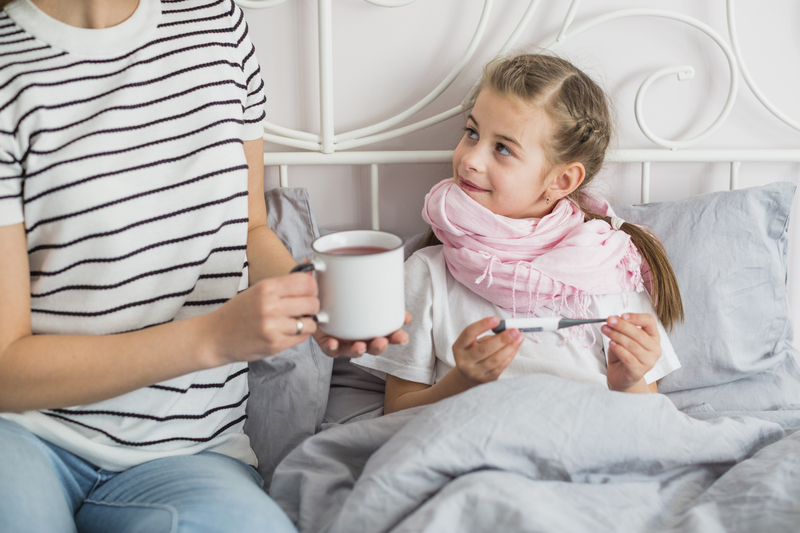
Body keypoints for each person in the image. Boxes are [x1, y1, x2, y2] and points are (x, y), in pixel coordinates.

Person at [0, 0, 407, 531]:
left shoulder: (216, 22)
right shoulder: (11, 65)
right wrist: (214, 338)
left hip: (189, 452)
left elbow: (249, 229)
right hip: (26, 435)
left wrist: (313, 297)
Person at [352, 53, 684, 414]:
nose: (470, 159)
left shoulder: (610, 268)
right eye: (472, 133)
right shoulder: (426, 274)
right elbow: (397, 413)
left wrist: (629, 382)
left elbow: (649, 422)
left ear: (562, 180)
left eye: (503, 148)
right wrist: (463, 382)